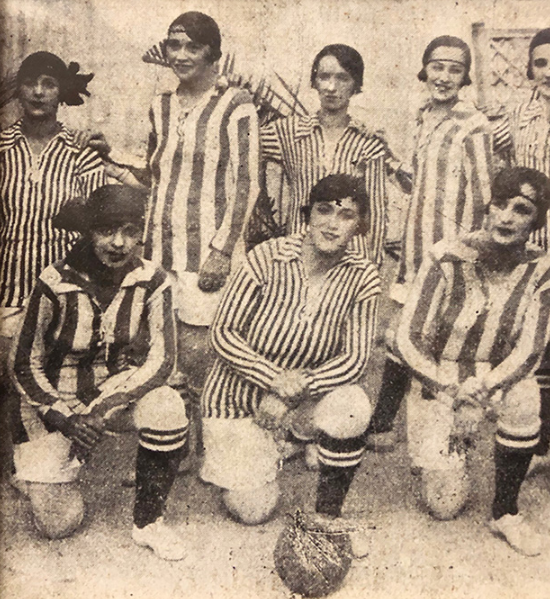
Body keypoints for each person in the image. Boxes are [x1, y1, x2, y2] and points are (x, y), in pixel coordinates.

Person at [10, 185, 188, 561]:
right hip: (55, 401)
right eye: (107, 230)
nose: (119, 242)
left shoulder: (153, 279)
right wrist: (65, 418)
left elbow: (163, 358)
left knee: (168, 405)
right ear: (89, 231)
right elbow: (23, 362)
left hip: (110, 391)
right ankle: (33, 470)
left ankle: (149, 522)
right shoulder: (55, 281)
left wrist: (100, 410)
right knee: (59, 524)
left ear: (141, 231)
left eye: (129, 230)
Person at [200, 174, 380, 528]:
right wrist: (274, 380)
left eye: (346, 216)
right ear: (307, 215)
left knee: (353, 406)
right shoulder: (266, 256)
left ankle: (325, 507)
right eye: (324, 210)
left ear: (360, 226)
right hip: (236, 398)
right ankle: (273, 449)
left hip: (300, 399)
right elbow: (222, 333)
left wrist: (290, 395)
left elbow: (355, 359)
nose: (331, 224)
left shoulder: (364, 276)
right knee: (253, 509)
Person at [395, 166, 550, 556]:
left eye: (522, 210)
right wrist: (451, 391)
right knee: (443, 504)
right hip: (442, 377)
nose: (506, 217)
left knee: (526, 394)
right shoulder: (446, 256)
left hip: (492, 380)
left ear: (537, 221)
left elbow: (531, 349)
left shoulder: (542, 270)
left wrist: (481, 394)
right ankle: (446, 453)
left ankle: (505, 512)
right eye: (500, 204)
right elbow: (408, 339)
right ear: (487, 207)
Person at [141, 12, 260, 460]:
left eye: (193, 46)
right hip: (160, 249)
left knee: (202, 351)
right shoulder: (161, 105)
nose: (183, 55)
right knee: (164, 350)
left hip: (209, 249)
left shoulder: (236, 104)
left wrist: (223, 250)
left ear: (212, 52)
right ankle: (174, 445)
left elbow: (248, 182)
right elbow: (155, 174)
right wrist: (110, 156)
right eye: (175, 45)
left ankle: (218, 447)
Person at [366, 36, 494, 450]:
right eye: (437, 66)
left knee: (441, 336)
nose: (444, 77)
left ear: (465, 77)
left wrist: (467, 255)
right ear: (425, 69)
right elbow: (416, 183)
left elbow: (484, 195)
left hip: (451, 254)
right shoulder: (422, 115)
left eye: (454, 69)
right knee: (402, 332)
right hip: (414, 251)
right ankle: (384, 421)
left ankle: (445, 427)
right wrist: (389, 157)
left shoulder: (473, 124)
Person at [0, 51, 106, 452]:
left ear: (62, 92)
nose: (39, 92)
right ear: (18, 90)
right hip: (9, 289)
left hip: (64, 291)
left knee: (49, 373)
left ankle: (46, 447)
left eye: (48, 83)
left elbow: (95, 226)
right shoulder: (3, 147)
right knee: (11, 371)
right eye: (30, 82)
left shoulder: (81, 149)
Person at [260, 44, 389, 266]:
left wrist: (370, 269)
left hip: (349, 259)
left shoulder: (367, 142)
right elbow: (241, 145)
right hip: (299, 253)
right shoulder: (289, 132)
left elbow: (375, 215)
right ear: (315, 81)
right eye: (324, 77)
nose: (331, 87)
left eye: (342, 78)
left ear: (355, 86)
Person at [501, 28, 550, 458]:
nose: (549, 72)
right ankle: (540, 446)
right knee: (539, 342)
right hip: (535, 244)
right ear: (530, 68)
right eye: (541, 63)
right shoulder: (516, 113)